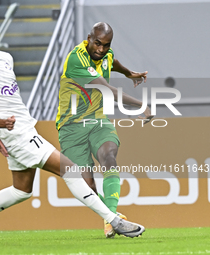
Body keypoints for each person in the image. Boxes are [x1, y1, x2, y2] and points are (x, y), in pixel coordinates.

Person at [0, 13, 146, 247]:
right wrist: (1, 126)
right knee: (71, 170)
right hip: (18, 135)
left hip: (22, 129)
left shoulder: (4, 58)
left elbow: (0, 103)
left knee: (21, 190)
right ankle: (113, 220)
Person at [55, 22, 153, 238]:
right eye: (97, 43)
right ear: (89, 38)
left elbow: (112, 62)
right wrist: (141, 105)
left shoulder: (106, 54)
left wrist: (129, 73)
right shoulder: (76, 59)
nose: (100, 49)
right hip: (71, 128)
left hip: (98, 120)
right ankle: (111, 218)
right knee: (88, 185)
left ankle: (112, 219)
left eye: (106, 45)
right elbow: (107, 90)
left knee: (109, 156)